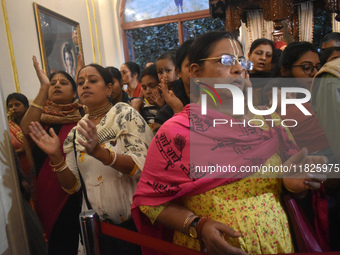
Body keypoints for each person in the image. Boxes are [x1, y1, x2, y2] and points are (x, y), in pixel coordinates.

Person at [132, 31, 328, 255]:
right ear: (196, 72)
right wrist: (198, 226)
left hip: (278, 244)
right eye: (226, 61)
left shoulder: (268, 120)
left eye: (242, 62)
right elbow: (150, 201)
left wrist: (294, 187)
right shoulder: (176, 132)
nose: (239, 68)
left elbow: (292, 185)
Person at [29, 63, 154, 255]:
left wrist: (101, 154)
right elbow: (73, 186)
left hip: (136, 225)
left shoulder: (123, 114)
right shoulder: (76, 132)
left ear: (109, 89)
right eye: (80, 82)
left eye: (93, 80)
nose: (85, 85)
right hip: (100, 231)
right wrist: (55, 157)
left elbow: (142, 167)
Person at [21, 56, 83, 255]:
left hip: (73, 193)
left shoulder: (82, 120)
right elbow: (25, 128)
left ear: (74, 92)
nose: (57, 85)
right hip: (46, 191)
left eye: (63, 83)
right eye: (53, 83)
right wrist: (43, 86)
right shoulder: (43, 121)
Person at [6, 93, 34, 181]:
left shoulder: (35, 122)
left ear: (26, 106)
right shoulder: (8, 127)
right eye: (10, 106)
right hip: (18, 169)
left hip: (36, 161)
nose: (13, 108)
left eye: (17, 104)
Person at [131, 64, 165, 132]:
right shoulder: (143, 108)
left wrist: (163, 108)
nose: (148, 92)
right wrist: (135, 109)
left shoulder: (173, 107)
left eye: (152, 86)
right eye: (144, 88)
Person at [247, 38, 275, 105]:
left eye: (268, 55)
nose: (263, 58)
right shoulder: (241, 77)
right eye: (259, 53)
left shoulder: (274, 82)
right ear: (249, 55)